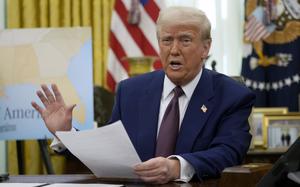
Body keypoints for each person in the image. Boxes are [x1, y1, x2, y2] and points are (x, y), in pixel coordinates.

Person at [31, 6, 255, 184]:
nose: (174, 50)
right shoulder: (131, 91)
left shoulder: (232, 95)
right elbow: (109, 151)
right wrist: (65, 133)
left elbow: (230, 152)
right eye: (167, 40)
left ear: (205, 48)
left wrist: (176, 167)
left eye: (185, 40)